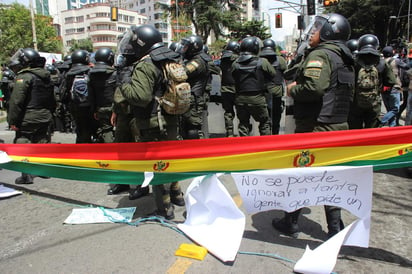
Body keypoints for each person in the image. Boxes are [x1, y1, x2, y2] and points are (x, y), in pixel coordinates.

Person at [274, 13, 355, 238]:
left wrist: (292, 89)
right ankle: (335, 229)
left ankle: (290, 222)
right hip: (338, 126)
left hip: (315, 127)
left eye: (318, 29)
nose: (313, 32)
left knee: (300, 176)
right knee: (330, 179)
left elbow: (313, 88)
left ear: (329, 32)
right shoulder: (346, 58)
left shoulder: (321, 54)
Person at [118, 24, 185, 220]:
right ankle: (177, 195)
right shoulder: (170, 57)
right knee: (170, 161)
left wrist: (123, 80)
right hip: (171, 119)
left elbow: (140, 97)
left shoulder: (146, 64)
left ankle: (164, 209)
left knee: (157, 166)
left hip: (153, 123)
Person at [7, 48, 56, 184]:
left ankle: (26, 175)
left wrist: (12, 121)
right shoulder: (46, 76)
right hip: (45, 116)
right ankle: (44, 171)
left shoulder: (24, 77)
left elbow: (16, 101)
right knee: (42, 144)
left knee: (23, 143)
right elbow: (53, 100)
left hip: (28, 117)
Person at [348, 34, 397, 129]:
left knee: (354, 132)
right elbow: (391, 81)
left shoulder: (354, 62)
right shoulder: (382, 62)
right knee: (372, 132)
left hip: (355, 104)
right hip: (374, 105)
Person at [231, 36, 275, 136]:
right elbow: (272, 74)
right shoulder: (262, 62)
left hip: (240, 99)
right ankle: (266, 146)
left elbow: (233, 76)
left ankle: (245, 147)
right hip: (257, 98)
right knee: (264, 123)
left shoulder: (235, 63)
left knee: (243, 124)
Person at [178, 35, 210, 139]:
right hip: (191, 98)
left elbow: (182, 73)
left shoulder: (197, 62)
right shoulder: (194, 59)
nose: (184, 49)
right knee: (186, 127)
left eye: (186, 47)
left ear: (194, 47)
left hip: (194, 99)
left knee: (193, 129)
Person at [63, 49, 95, 143]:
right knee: (89, 129)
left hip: (75, 106)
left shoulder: (69, 74)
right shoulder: (90, 71)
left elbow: (64, 92)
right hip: (89, 106)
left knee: (80, 129)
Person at [259, 38, 287, 135]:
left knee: (265, 118)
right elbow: (285, 73)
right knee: (276, 116)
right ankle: (275, 135)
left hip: (263, 92)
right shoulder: (280, 60)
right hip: (277, 92)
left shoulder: (260, 60)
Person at [380, 46, 409, 127]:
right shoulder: (396, 61)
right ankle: (381, 121)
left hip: (383, 89)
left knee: (390, 110)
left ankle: (392, 127)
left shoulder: (380, 62)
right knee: (395, 109)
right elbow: (407, 67)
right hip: (394, 88)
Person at [219, 41, 240, 137]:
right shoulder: (239, 59)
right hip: (237, 89)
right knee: (242, 112)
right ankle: (243, 132)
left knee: (228, 112)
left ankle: (229, 132)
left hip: (225, 89)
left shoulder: (223, 59)